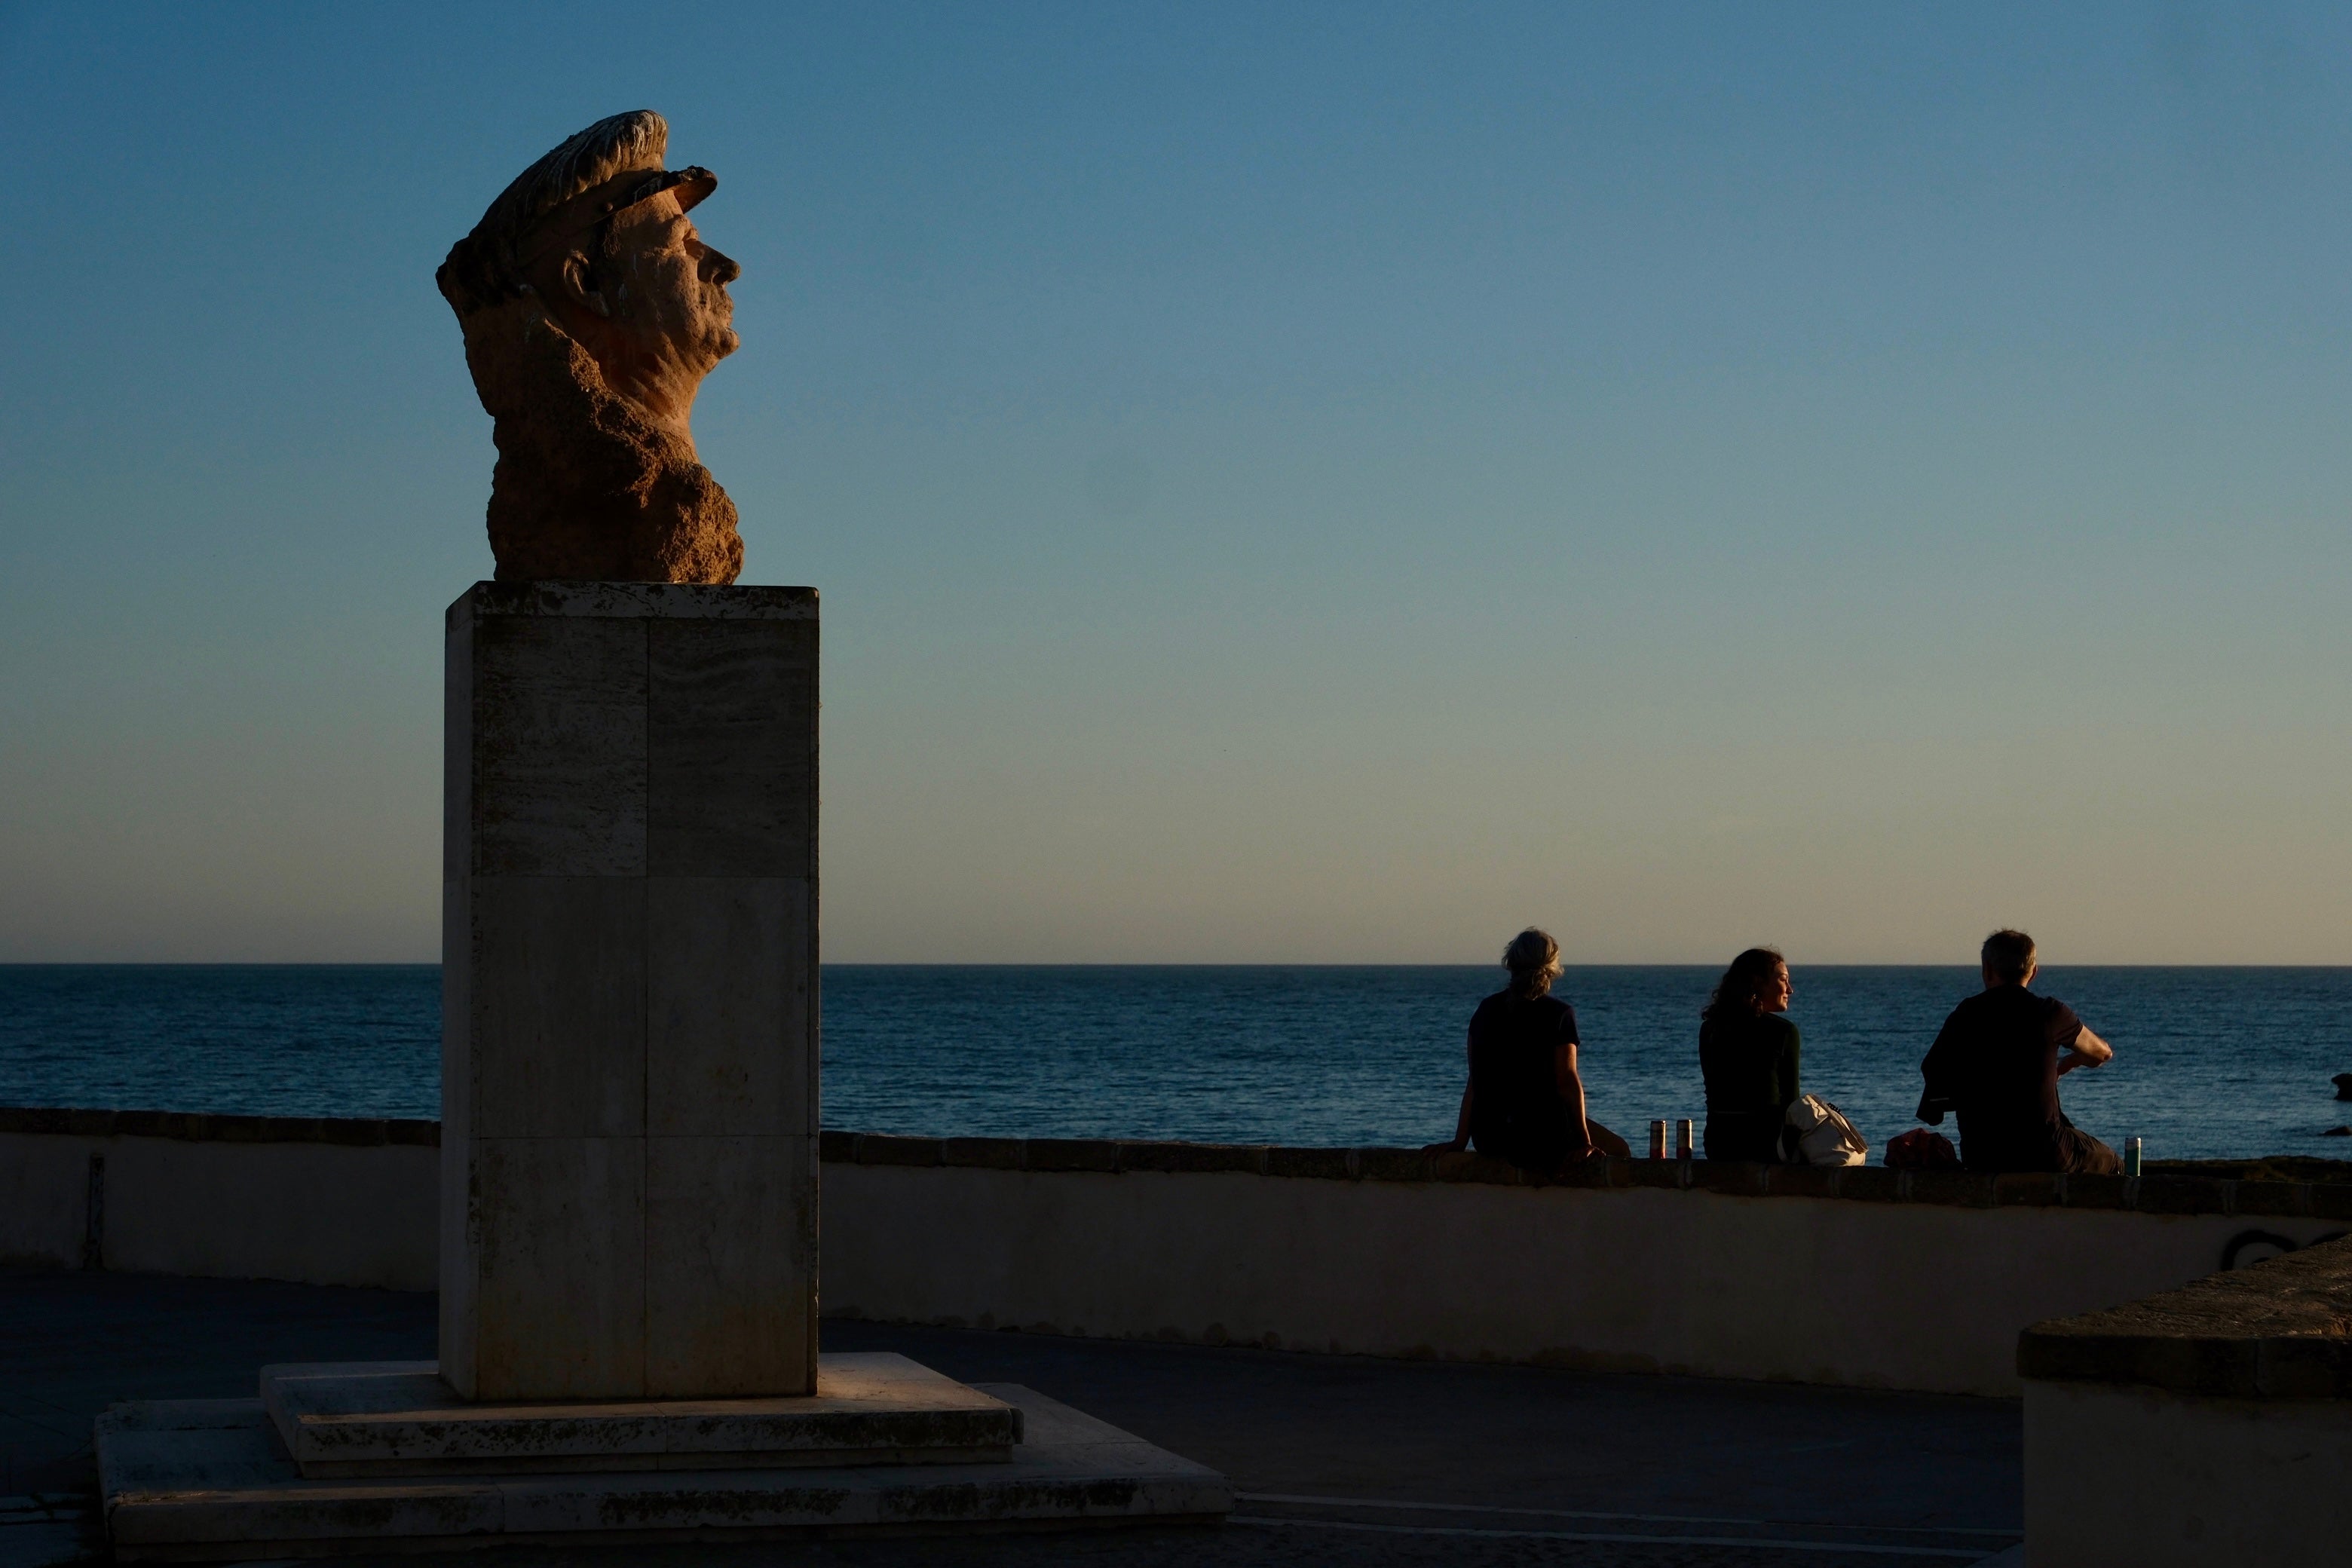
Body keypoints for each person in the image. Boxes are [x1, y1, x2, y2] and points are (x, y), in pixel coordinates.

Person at [1919, 929, 2121, 1174]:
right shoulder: (2050, 1013)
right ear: (2033, 972)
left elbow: (1933, 1072)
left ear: (1987, 969)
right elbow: (2102, 1053)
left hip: (1981, 1156)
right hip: (2047, 1155)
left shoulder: (1964, 1015)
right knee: (2115, 1165)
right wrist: (2073, 1061)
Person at [1427, 929, 1630, 1169]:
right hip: (1540, 1136)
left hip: (1490, 1137)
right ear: (1551, 968)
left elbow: (1476, 1081)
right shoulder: (1559, 1014)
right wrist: (1584, 1141)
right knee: (1619, 1150)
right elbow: (1567, 1081)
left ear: (1511, 964)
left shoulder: (1485, 1010)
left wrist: (1460, 1141)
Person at [1698, 948, 1800, 1162]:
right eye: (1783, 980)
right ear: (1757, 983)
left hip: (1719, 1144)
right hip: (1766, 1146)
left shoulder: (1710, 1029)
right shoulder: (1783, 1032)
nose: (1789, 990)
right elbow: (1791, 1106)